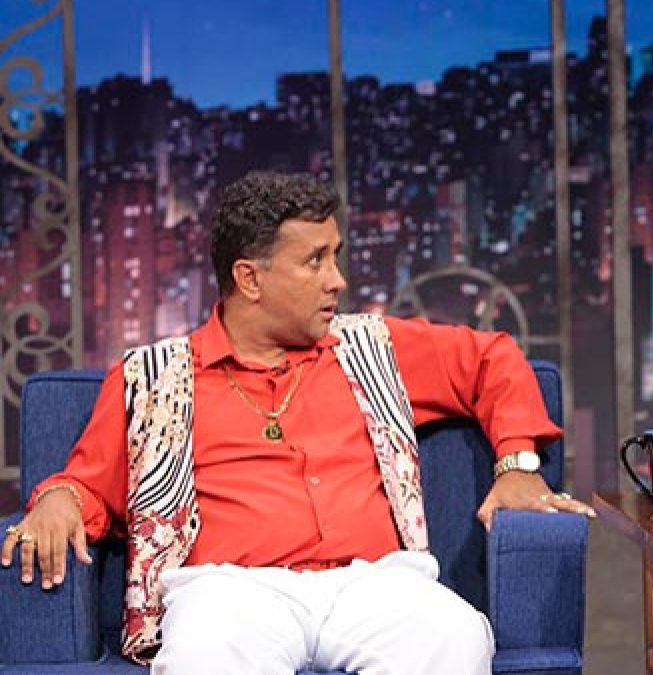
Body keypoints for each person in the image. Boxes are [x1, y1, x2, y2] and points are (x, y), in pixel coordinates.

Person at [0, 171, 594, 675]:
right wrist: (56, 502)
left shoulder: (372, 349)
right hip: (230, 591)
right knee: (202, 656)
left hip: (375, 584)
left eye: (336, 255)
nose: (338, 279)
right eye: (315, 260)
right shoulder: (154, 378)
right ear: (250, 278)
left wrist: (518, 464)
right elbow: (87, 485)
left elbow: (493, 359)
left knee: (453, 637)